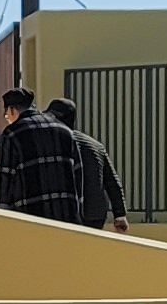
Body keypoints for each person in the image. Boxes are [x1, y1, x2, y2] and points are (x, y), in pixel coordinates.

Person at [0, 87, 95, 224]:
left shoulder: (12, 134)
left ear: (12, 110)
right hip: (66, 217)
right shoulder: (64, 130)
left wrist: (0, 218)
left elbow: (5, 179)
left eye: (6, 115)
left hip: (32, 218)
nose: (7, 118)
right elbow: (78, 175)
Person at [46, 97, 131, 231]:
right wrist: (120, 214)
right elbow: (111, 181)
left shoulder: (53, 143)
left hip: (66, 211)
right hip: (94, 213)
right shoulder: (95, 146)